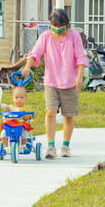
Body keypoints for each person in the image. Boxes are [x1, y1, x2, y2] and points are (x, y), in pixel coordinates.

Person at [21, 8, 88, 159]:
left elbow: (81, 57)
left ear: (66, 24)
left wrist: (80, 76)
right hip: (51, 81)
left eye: (60, 26)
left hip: (70, 82)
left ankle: (65, 146)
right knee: (50, 113)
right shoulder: (45, 37)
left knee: (68, 116)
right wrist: (27, 66)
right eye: (54, 26)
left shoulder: (74, 37)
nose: (57, 30)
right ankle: (51, 147)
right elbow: (34, 53)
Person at [0, 86, 33, 154]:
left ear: (25, 98)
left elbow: (30, 115)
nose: (19, 99)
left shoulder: (26, 109)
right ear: (13, 98)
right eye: (16, 97)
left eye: (21, 97)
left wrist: (27, 116)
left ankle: (23, 145)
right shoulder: (11, 107)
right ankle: (7, 147)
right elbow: (6, 115)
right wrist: (7, 111)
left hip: (21, 125)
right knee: (3, 133)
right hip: (10, 125)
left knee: (24, 133)